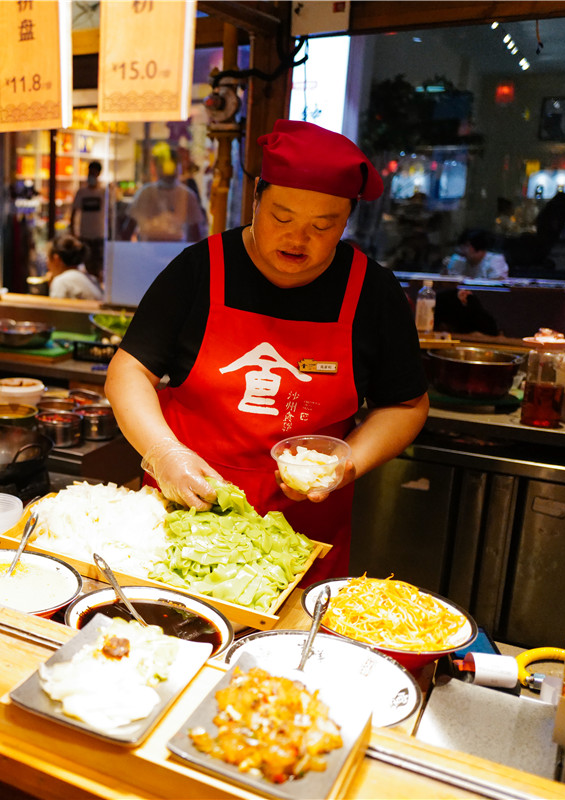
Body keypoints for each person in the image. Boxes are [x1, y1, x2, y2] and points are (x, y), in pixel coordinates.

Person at [105, 119, 429, 583]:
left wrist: (344, 463)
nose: (298, 239)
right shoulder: (200, 269)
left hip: (302, 536)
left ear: (347, 220)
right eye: (281, 217)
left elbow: (407, 405)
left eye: (323, 225)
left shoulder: (371, 291)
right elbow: (127, 373)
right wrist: (164, 454)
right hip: (183, 512)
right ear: (255, 198)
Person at [127, 143, 207, 242]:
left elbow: (195, 233)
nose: (168, 170)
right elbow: (129, 227)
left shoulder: (187, 195)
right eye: (164, 165)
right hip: (147, 251)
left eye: (172, 166)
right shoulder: (146, 192)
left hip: (177, 251)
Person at [70, 161, 107, 280]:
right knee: (87, 266)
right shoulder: (81, 192)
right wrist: (73, 232)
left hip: (99, 235)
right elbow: (73, 213)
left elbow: (110, 213)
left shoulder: (103, 193)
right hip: (85, 235)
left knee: (98, 267)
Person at [46, 234, 103, 301]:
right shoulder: (92, 279)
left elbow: (55, 310)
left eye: (47, 258)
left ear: (56, 259)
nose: (46, 263)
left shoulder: (61, 281)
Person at [442, 228, 509, 280]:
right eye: (462, 246)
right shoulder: (458, 260)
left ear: (479, 249)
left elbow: (496, 287)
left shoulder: (495, 261)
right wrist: (446, 269)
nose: (462, 250)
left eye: (466, 246)